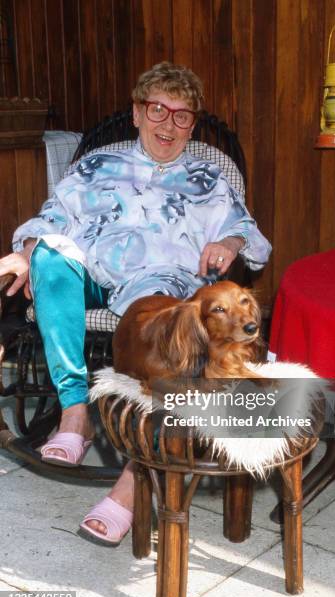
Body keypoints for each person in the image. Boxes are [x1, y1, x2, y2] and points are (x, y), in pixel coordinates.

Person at [0, 61, 271, 544]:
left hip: (159, 285)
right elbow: (53, 216)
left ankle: (138, 472)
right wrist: (25, 253)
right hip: (93, 271)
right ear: (137, 112)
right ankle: (74, 410)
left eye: (182, 115)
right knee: (49, 255)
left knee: (165, 322)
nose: (168, 124)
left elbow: (250, 235)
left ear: (193, 121)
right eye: (158, 110)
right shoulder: (96, 164)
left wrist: (228, 243)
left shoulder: (209, 175)